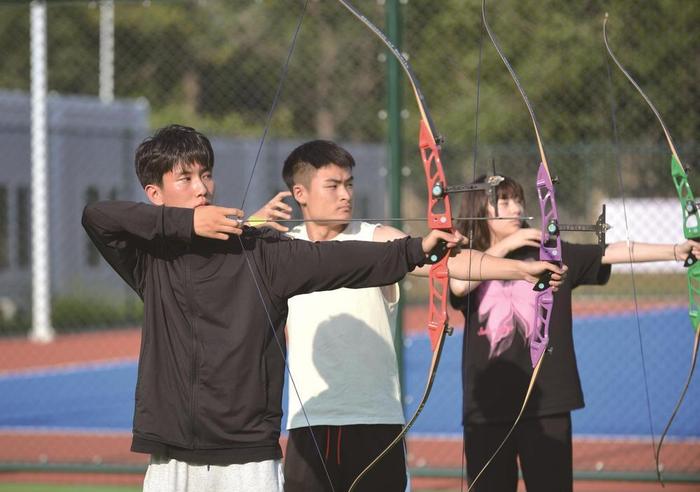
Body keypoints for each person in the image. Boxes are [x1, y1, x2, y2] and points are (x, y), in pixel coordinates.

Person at [81, 125, 469, 492]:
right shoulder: (151, 260)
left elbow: (335, 260)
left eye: (207, 175)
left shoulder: (258, 249)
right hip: (170, 452)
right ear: (155, 194)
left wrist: (416, 249)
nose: (202, 188)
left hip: (247, 455)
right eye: (186, 179)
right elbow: (97, 217)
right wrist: (187, 222)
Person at [250, 140, 566, 492]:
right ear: (300, 193)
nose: (346, 195)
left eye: (350, 184)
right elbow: (217, 258)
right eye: (333, 186)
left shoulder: (378, 240)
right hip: (308, 421)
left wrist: (520, 271)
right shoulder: (281, 251)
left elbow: (450, 264)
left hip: (376, 422)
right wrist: (255, 222)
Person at [448, 174, 700, 492]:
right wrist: (509, 244)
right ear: (478, 210)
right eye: (503, 201)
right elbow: (459, 283)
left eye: (519, 201)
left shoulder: (552, 253)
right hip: (487, 406)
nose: (515, 209)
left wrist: (675, 251)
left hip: (548, 402)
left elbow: (612, 252)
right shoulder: (466, 259)